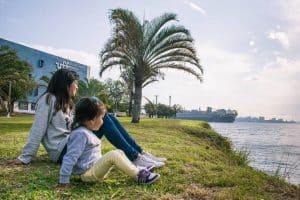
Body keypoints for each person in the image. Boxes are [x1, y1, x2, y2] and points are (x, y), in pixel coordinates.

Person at [8, 68, 166, 168]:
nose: (77, 86)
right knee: (107, 120)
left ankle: (140, 154)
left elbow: (73, 126)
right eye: (75, 83)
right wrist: (25, 157)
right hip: (64, 151)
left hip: (74, 142)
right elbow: (38, 129)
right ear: (66, 85)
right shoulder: (48, 99)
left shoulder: (66, 102)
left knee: (107, 117)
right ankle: (136, 157)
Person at [57, 97, 160, 189]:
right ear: (92, 120)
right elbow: (69, 158)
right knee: (114, 154)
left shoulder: (87, 131)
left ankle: (136, 168)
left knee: (118, 152)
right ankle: (138, 175)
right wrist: (63, 181)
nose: (103, 121)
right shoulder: (79, 134)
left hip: (94, 169)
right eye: (101, 118)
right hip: (87, 175)